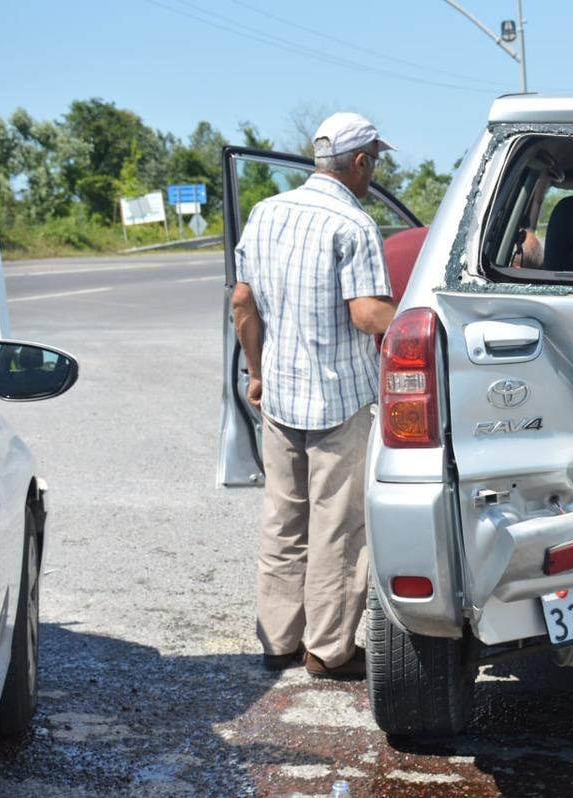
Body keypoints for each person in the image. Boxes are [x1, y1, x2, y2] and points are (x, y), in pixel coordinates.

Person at [232, 112, 396, 680]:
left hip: (279, 394)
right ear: (359, 163)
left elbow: (241, 303)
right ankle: (328, 650)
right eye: (374, 161)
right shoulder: (354, 225)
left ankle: (277, 639)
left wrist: (255, 373)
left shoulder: (265, 212)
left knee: (283, 518)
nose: (373, 172)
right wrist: (427, 317)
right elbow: (368, 313)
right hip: (339, 400)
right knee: (339, 525)